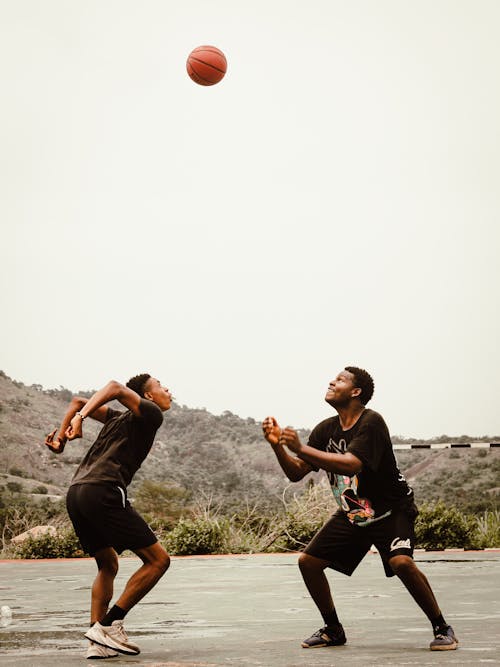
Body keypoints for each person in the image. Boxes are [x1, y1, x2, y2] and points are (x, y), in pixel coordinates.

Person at [262, 366, 458, 652]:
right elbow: (296, 473)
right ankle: (333, 630)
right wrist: (278, 446)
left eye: (340, 379)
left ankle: (443, 628)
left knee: (401, 562)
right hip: (356, 512)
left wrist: (301, 448)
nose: (331, 381)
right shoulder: (325, 429)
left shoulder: (372, 422)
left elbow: (352, 463)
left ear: (356, 392)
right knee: (309, 563)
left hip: (392, 509)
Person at [45, 374, 172, 660]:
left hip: (77, 493)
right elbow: (114, 387)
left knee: (108, 564)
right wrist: (79, 420)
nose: (168, 390)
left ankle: (97, 641)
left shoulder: (118, 418)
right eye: (162, 386)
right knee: (158, 561)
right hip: (104, 490)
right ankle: (111, 625)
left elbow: (78, 401)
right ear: (148, 397)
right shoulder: (151, 414)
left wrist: (67, 432)